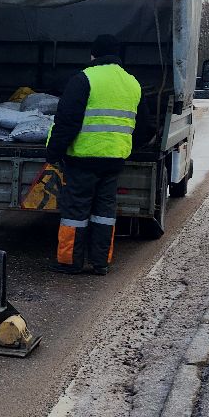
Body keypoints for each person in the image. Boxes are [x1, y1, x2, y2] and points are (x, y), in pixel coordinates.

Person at [46, 34, 141, 276]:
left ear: (93, 54)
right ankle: (101, 262)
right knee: (104, 212)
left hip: (83, 159)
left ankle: (70, 262)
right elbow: (144, 125)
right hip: (114, 160)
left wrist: (53, 152)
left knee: (76, 212)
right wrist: (126, 146)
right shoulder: (132, 83)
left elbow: (67, 121)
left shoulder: (84, 79)